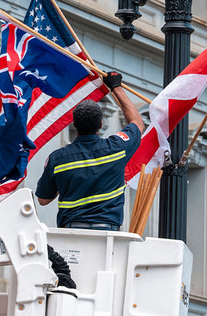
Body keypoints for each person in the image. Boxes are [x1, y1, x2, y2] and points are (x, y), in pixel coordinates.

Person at [35, 71, 144, 230]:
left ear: (75, 125)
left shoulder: (57, 159)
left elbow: (43, 200)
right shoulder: (117, 148)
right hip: (107, 232)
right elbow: (137, 123)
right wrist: (116, 87)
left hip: (71, 232)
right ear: (100, 124)